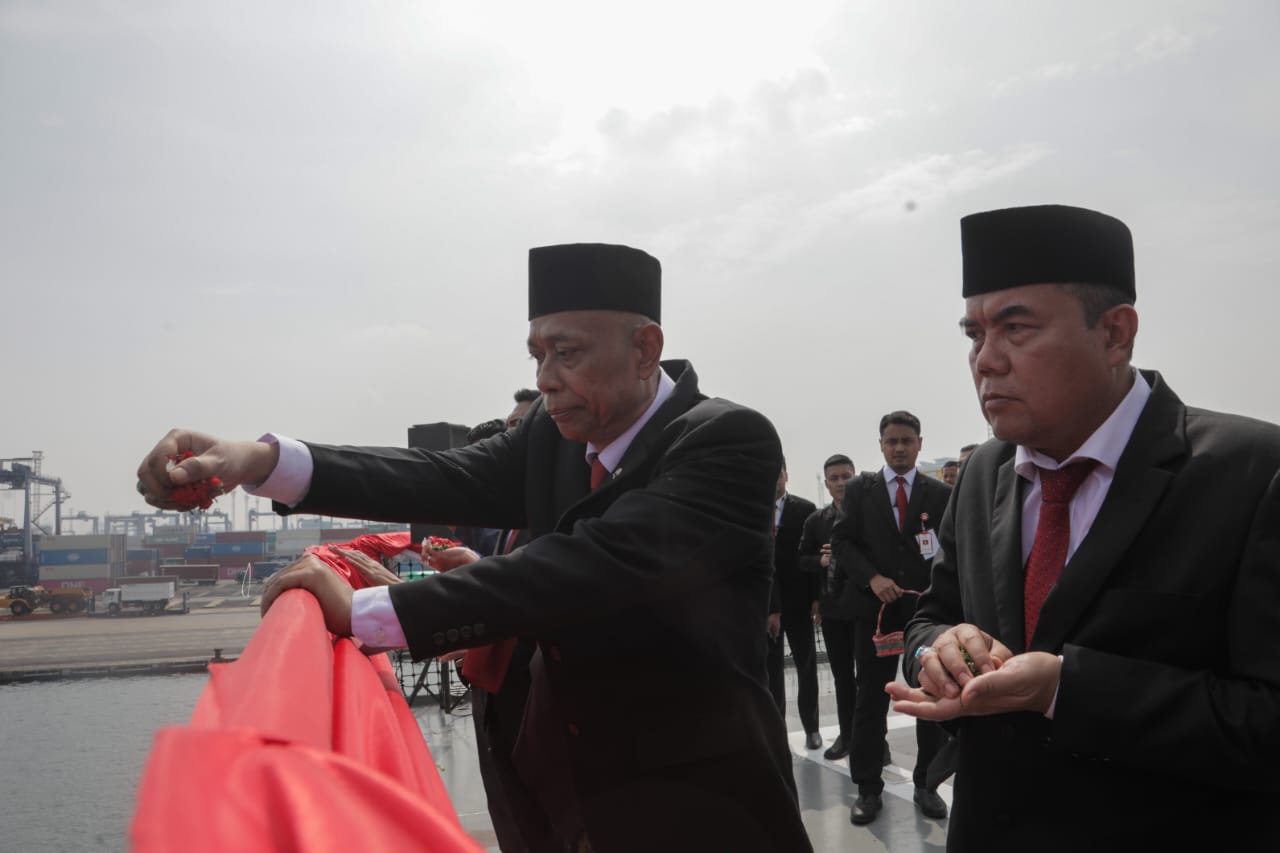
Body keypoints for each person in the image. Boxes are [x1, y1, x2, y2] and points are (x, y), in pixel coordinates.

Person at [136, 242, 813, 853]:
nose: (546, 377)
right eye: (537, 355)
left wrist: (370, 611)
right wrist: (258, 460)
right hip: (573, 795)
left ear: (645, 347)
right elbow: (442, 474)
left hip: (702, 809)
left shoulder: (725, 441)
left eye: (567, 352)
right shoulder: (557, 435)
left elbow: (587, 565)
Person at [889, 204, 1280, 851]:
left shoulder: (1250, 477)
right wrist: (938, 652)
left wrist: (1066, 689)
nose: (986, 360)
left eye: (1015, 328)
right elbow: (931, 614)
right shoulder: (985, 472)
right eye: (974, 334)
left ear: (1116, 333)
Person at [830, 410, 951, 826]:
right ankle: (867, 786)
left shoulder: (939, 495)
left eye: (907, 440)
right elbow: (842, 543)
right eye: (891, 441)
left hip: (925, 612)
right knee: (870, 698)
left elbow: (949, 550)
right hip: (876, 611)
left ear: (920, 443)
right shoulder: (861, 490)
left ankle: (927, 783)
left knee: (931, 694)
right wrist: (872, 578)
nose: (899, 448)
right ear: (881, 445)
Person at [797, 454, 858, 761]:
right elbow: (801, 560)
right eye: (834, 478)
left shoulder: (869, 514)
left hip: (865, 609)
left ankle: (875, 741)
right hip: (833, 610)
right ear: (826, 481)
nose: (840, 483)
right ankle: (847, 736)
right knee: (843, 677)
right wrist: (819, 561)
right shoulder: (816, 521)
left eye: (846, 476)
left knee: (872, 682)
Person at [764, 459, 820, 749]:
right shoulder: (752, 511)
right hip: (767, 605)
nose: (774, 480)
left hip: (799, 601)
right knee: (771, 670)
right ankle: (777, 728)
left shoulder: (805, 509)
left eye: (778, 473)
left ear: (786, 474)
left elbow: (811, 558)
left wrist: (816, 598)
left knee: (806, 664)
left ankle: (812, 727)